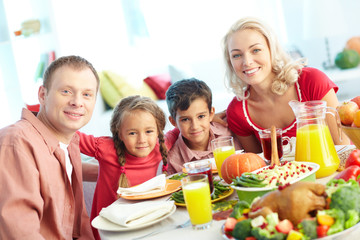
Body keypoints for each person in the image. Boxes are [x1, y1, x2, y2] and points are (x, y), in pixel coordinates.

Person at [0, 55, 98, 239]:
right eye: (66, 91)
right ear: (43, 95)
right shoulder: (16, 143)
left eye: (87, 94)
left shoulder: (69, 143)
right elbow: (21, 234)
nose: (77, 102)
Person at [222, 17, 350, 153]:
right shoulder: (237, 112)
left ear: (272, 50)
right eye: (236, 55)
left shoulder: (311, 81)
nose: (247, 62)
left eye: (255, 50)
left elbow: (344, 150)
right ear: (230, 62)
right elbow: (257, 167)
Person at [77, 95, 177, 240]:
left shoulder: (161, 146)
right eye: (132, 133)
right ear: (120, 134)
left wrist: (218, 117)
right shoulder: (106, 148)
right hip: (109, 230)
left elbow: (182, 127)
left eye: (149, 131)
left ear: (158, 130)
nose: (141, 140)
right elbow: (71, 135)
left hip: (142, 224)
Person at [166, 78, 242, 174]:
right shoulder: (174, 161)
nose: (195, 126)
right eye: (185, 119)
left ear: (211, 114)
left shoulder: (228, 128)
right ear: (173, 122)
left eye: (201, 116)